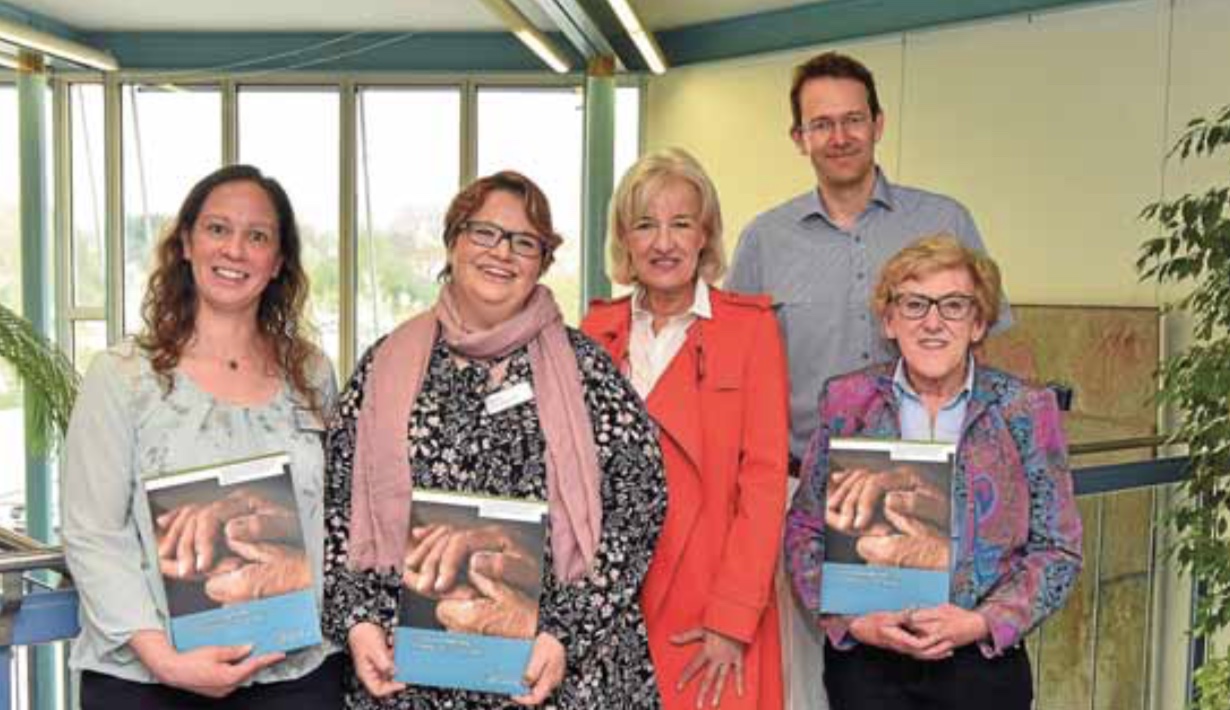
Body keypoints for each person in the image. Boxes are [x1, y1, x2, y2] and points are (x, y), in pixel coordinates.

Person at [723, 50, 1011, 710]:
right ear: (799, 138)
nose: (839, 136)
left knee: (936, 667)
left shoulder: (945, 221)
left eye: (853, 119)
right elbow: (741, 372)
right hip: (806, 493)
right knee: (819, 681)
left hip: (934, 488)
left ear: (879, 123)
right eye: (821, 124)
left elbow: (988, 348)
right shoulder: (765, 240)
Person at [322, 170, 666, 709]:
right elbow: (336, 504)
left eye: (525, 242)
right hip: (408, 676)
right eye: (485, 233)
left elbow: (639, 502)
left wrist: (565, 634)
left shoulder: (587, 370)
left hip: (556, 674)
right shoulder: (384, 363)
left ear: (542, 262)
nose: (502, 252)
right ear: (453, 240)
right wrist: (358, 622)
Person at [61, 164, 343, 708]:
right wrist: (163, 659)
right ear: (187, 242)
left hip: (296, 675)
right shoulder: (123, 376)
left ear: (278, 260)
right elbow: (93, 533)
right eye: (218, 229)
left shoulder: (312, 373)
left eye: (256, 236)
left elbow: (332, 515)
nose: (234, 250)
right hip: (149, 677)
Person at [784, 234, 1083, 710]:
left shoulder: (1024, 410)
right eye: (915, 304)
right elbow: (803, 529)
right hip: (867, 666)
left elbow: (1058, 549)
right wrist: (852, 621)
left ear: (979, 322)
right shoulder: (848, 401)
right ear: (889, 319)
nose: (933, 323)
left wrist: (982, 622)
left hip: (982, 667)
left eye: (954, 305)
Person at [582, 148, 788, 710]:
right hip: (615, 605)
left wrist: (733, 617)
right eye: (646, 225)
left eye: (681, 224)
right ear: (624, 238)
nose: (664, 243)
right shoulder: (595, 331)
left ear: (706, 235)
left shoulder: (751, 330)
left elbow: (766, 484)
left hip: (711, 609)